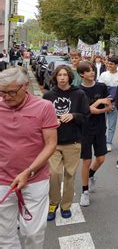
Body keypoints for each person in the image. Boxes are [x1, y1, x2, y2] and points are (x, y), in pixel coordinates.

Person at [0, 67, 58, 248]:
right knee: (4, 235)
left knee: (32, 233)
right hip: (2, 180)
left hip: (35, 179)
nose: (6, 97)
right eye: (2, 92)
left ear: (25, 86)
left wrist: (29, 171)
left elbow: (51, 144)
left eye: (11, 92)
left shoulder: (44, 107)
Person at [42, 65, 90, 221]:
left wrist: (74, 115)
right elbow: (41, 118)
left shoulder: (79, 94)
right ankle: (53, 203)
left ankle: (66, 206)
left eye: (65, 75)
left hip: (73, 142)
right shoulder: (48, 95)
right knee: (54, 174)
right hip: (53, 143)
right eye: (59, 75)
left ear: (69, 77)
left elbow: (86, 116)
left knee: (70, 175)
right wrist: (52, 120)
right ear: (55, 77)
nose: (62, 77)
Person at [77, 61, 112, 207]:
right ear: (81, 74)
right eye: (88, 71)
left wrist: (100, 109)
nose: (92, 72)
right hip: (84, 129)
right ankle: (84, 192)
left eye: (93, 70)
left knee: (101, 159)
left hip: (99, 127)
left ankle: (91, 175)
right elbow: (85, 111)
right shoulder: (78, 91)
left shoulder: (101, 87)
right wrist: (98, 103)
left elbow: (109, 106)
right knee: (86, 161)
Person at [98, 56, 118, 152]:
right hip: (103, 102)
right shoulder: (103, 75)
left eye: (111, 64)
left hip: (114, 104)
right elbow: (100, 89)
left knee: (111, 125)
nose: (109, 65)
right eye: (108, 63)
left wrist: (116, 103)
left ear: (117, 65)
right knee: (101, 124)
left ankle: (109, 142)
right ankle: (101, 141)